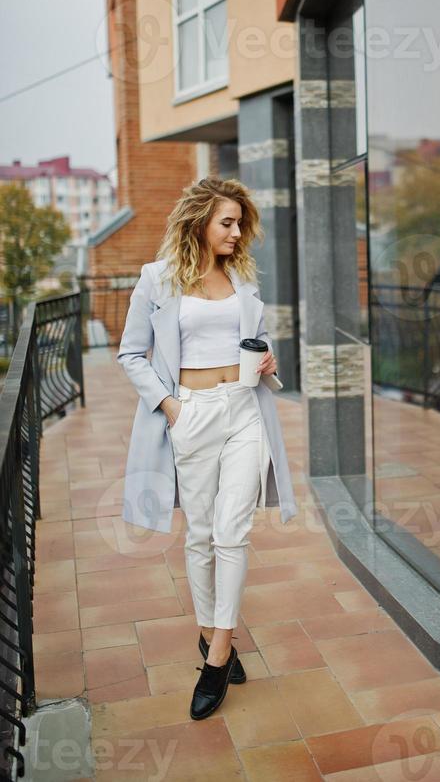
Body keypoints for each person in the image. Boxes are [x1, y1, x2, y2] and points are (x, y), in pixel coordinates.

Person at [117, 177, 298, 720]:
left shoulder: (241, 275)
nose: (237, 232)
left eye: (240, 223)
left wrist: (267, 358)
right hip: (190, 414)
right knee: (198, 534)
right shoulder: (158, 279)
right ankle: (209, 630)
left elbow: (256, 341)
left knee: (231, 533)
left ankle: (217, 655)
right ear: (199, 220)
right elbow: (131, 355)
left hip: (245, 411)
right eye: (228, 222)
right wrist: (170, 407)